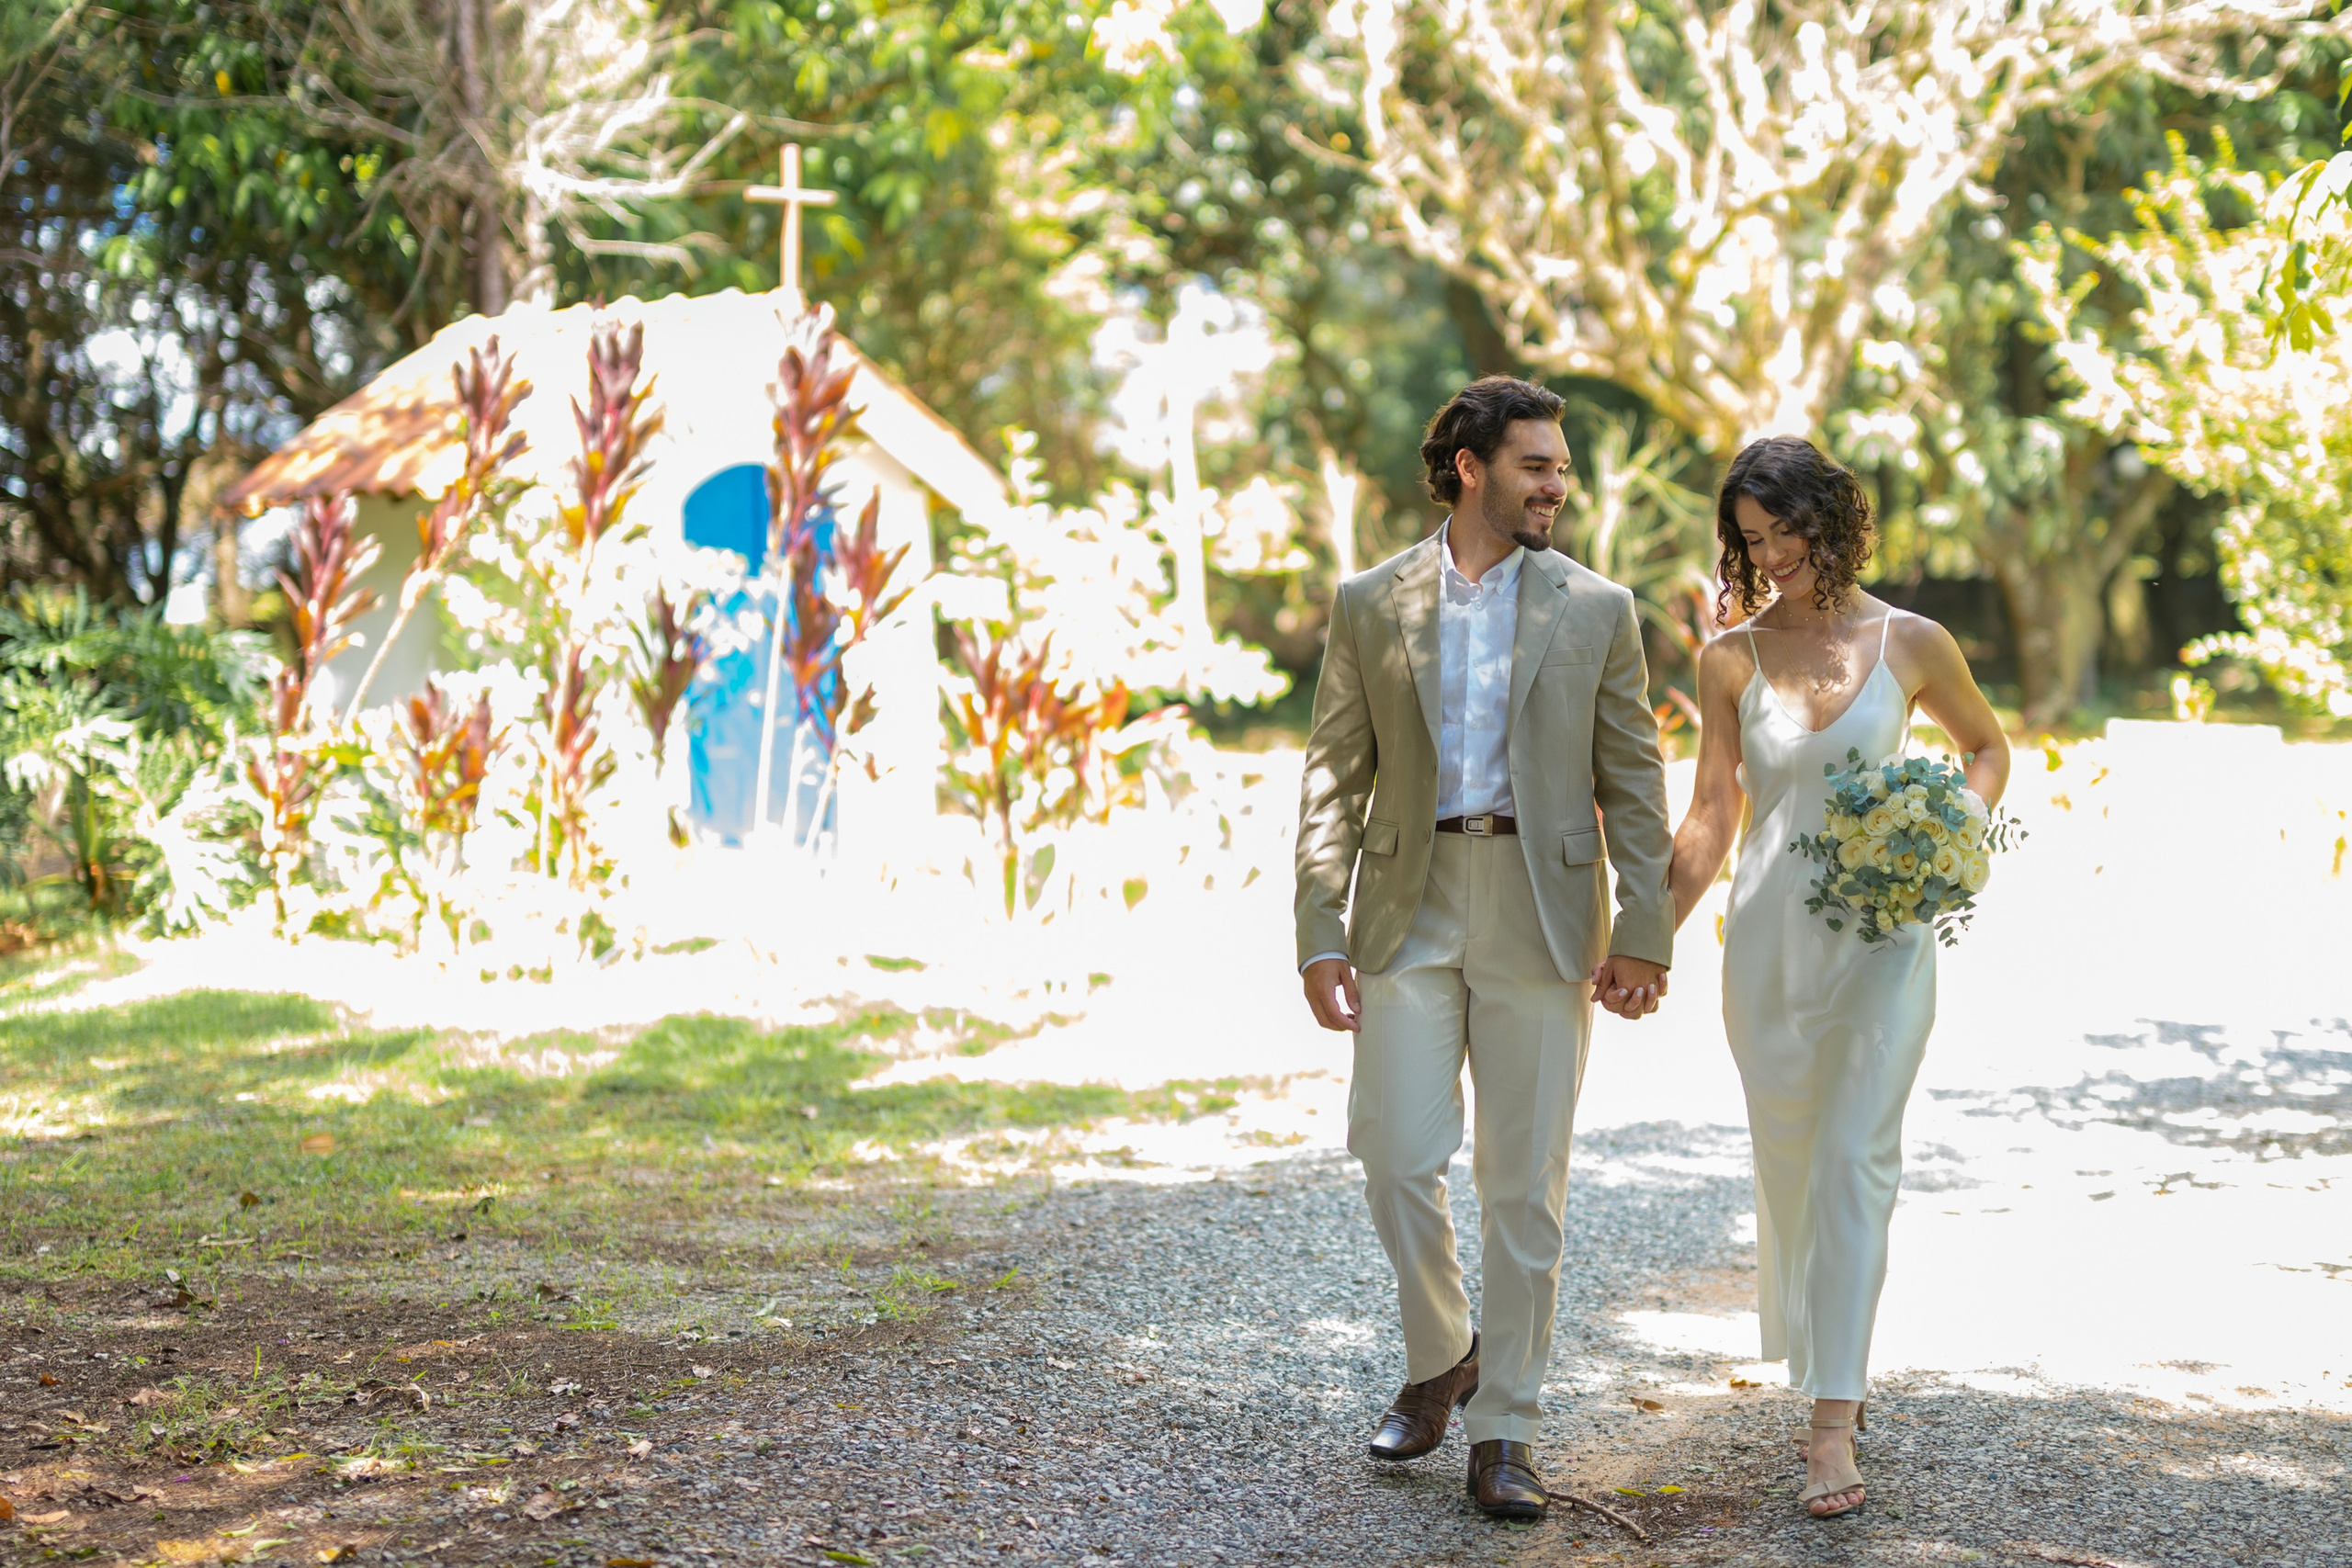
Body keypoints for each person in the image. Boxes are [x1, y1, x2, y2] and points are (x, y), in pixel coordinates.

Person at [1294, 376, 1675, 1521]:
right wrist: (1319, 928)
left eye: (1560, 467)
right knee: (1395, 1153)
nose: (1557, 484)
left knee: (1524, 1185)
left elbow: (1635, 784)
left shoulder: (1597, 608)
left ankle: (1505, 1427)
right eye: (1535, 466)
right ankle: (1446, 1348)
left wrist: (1644, 929)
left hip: (1543, 906)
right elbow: (1332, 770)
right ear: (1470, 467)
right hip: (1407, 902)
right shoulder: (1371, 600)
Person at [1667, 435, 2011, 1518]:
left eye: (1786, 532)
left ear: (1832, 520)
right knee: (1794, 1163)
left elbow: (1985, 748)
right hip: (1767, 943)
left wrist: (1949, 833)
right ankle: (1830, 1371)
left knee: (1858, 1158)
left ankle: (1828, 1426)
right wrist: (1642, 939)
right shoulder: (1727, 657)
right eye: (1751, 540)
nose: (1770, 557)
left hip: (1881, 940)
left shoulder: (1912, 640)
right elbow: (1714, 814)